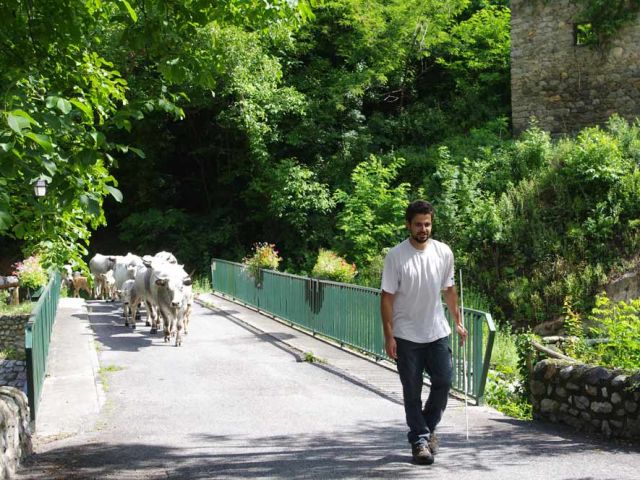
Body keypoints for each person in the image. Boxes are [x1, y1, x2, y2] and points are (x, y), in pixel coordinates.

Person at [380, 199, 467, 465]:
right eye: (418, 224)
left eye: (427, 224)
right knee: (412, 391)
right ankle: (420, 440)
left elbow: (449, 290)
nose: (423, 229)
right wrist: (389, 334)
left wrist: (458, 321)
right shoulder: (396, 256)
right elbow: (386, 298)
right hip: (406, 335)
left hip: (437, 331)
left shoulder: (444, 253)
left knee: (443, 381)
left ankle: (426, 430)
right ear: (408, 224)